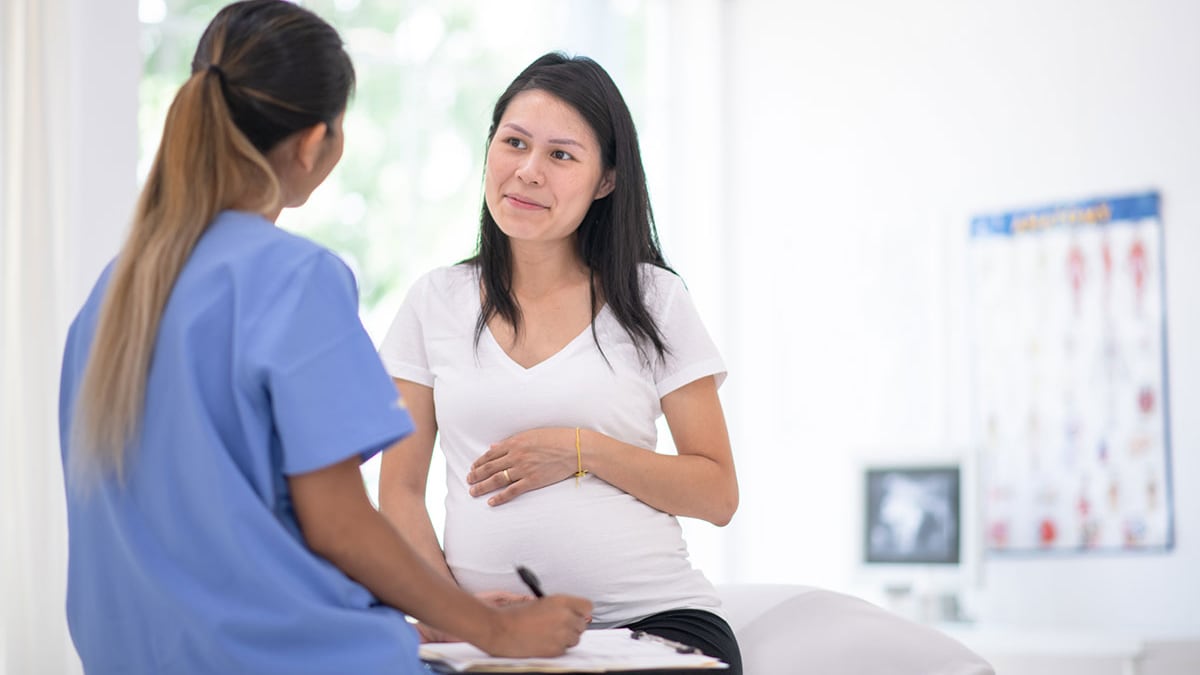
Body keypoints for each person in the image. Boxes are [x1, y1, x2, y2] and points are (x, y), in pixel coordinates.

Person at [57, 3, 589, 673]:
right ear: (315, 144)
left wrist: (429, 613)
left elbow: (210, 535)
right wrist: (494, 630)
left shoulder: (113, 296)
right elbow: (339, 524)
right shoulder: (294, 279)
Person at [378, 52, 743, 673]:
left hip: (653, 620)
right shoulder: (435, 301)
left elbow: (717, 494)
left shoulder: (653, 298)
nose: (527, 171)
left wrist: (583, 450)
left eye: (561, 155)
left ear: (606, 181)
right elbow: (400, 490)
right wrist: (449, 611)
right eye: (513, 143)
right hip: (485, 633)